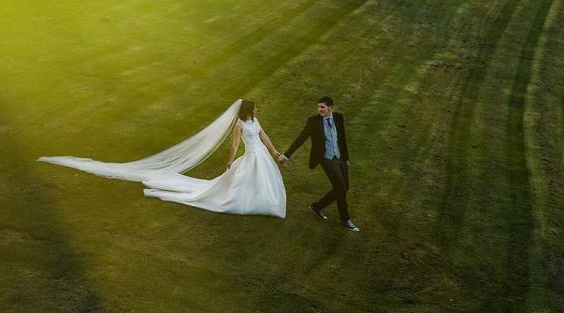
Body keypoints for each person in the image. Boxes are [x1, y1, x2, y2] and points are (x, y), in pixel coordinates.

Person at [39, 99, 287, 218]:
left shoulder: (255, 122)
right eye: (254, 108)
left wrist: (275, 153)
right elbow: (233, 145)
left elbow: (265, 137)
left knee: (260, 178)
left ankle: (259, 199)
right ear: (247, 111)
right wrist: (231, 160)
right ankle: (248, 201)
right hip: (249, 156)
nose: (257, 110)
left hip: (261, 157)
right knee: (239, 180)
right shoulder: (240, 125)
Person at [282, 96, 359, 232]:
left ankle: (317, 207)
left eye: (322, 107)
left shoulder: (338, 118)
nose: (319, 110)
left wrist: (346, 158)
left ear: (330, 107)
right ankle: (345, 218)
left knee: (344, 187)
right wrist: (287, 155)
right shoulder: (313, 121)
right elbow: (301, 138)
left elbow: (342, 138)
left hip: (340, 157)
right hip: (326, 158)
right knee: (340, 187)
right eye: (318, 107)